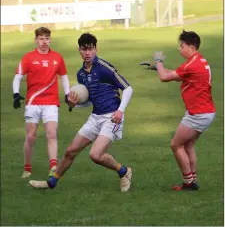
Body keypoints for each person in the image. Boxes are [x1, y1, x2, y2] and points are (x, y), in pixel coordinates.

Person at [29, 32, 133, 192]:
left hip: (112, 118)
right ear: (79, 50)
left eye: (90, 49)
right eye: (84, 49)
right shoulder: (81, 74)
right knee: (71, 151)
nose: (87, 53)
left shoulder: (105, 68)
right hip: (95, 117)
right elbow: (89, 100)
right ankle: (51, 182)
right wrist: (73, 104)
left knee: (95, 155)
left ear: (95, 49)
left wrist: (120, 111)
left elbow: (128, 88)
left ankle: (124, 172)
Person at [146, 30, 216, 191]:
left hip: (197, 114)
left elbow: (165, 78)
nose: (180, 49)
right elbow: (178, 76)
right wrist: (156, 68)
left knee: (176, 144)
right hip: (206, 112)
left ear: (191, 47)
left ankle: (188, 183)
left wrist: (158, 61)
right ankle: (192, 180)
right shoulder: (199, 61)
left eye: (182, 45)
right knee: (188, 145)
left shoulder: (192, 64)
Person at [12, 27, 71, 179]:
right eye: (41, 38)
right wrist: (16, 94)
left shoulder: (57, 57)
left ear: (50, 40)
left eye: (47, 38)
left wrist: (67, 94)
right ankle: (27, 168)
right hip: (33, 102)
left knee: (51, 134)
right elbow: (18, 76)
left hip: (51, 102)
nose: (44, 42)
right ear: (36, 40)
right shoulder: (28, 58)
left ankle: (53, 167)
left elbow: (63, 76)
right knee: (31, 136)